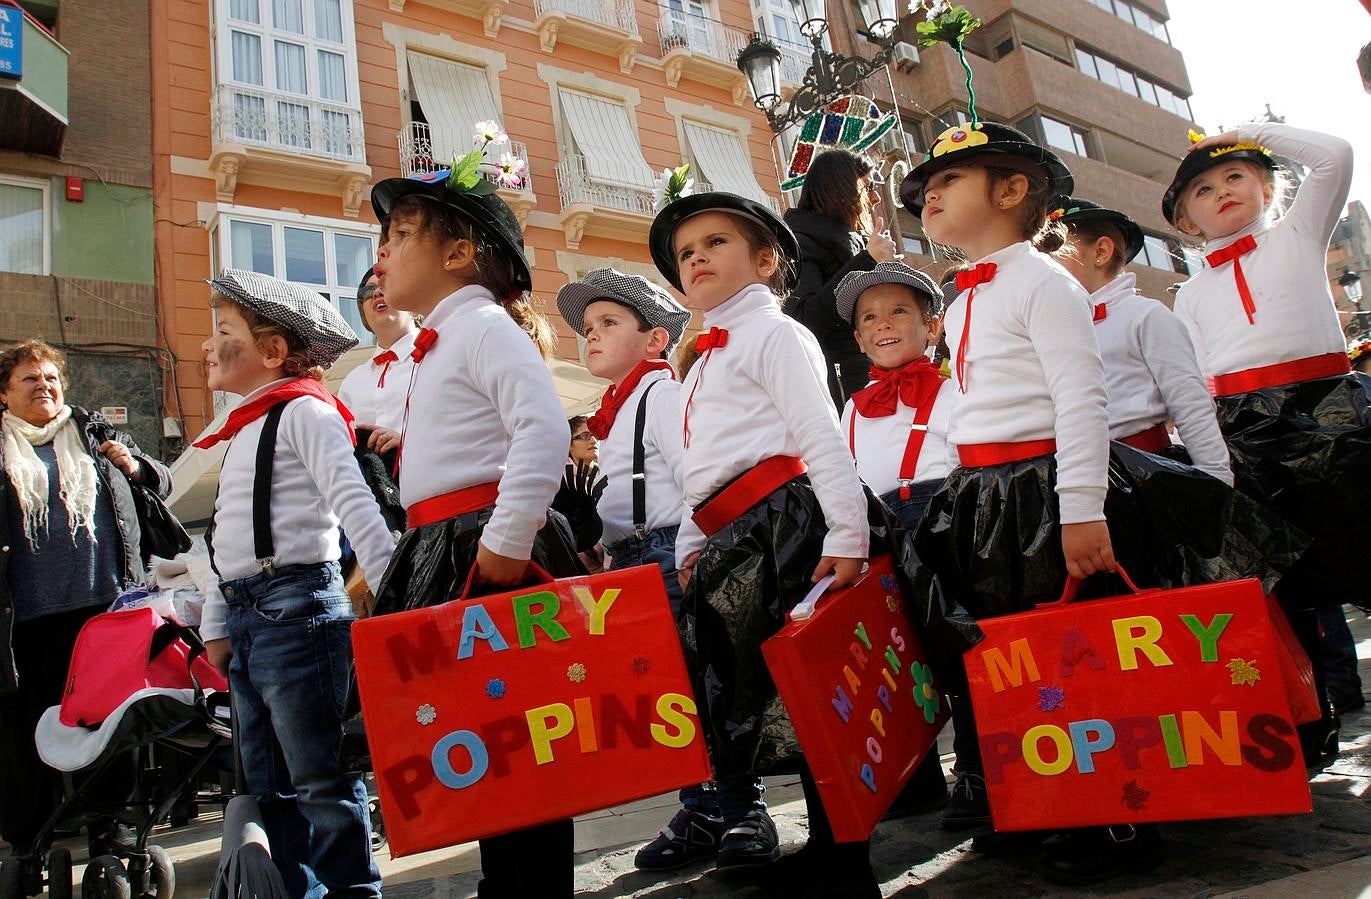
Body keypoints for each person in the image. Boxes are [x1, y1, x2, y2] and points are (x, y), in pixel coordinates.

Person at [900, 121, 1301, 883]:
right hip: (984, 494)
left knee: (1081, 657)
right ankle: (1041, 798)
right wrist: (953, 481)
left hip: (1043, 486)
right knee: (1016, 658)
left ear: (1011, 190)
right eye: (926, 189)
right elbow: (966, 401)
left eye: (948, 181)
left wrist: (1080, 507)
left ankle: (1119, 815)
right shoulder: (962, 298)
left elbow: (1080, 398)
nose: (930, 197)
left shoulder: (1043, 281)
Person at [648, 189, 878, 896]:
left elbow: (819, 433)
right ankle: (825, 850)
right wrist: (692, 541)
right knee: (774, 700)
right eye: (686, 252)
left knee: (810, 694)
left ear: (766, 259)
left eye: (715, 242)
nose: (697, 258)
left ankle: (846, 864)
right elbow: (701, 465)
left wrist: (847, 532)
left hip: (783, 525)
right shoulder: (702, 359)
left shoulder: (776, 334)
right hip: (732, 538)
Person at [366, 165, 584, 898]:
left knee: (522, 735)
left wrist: (507, 538)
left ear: (459, 254)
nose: (383, 252)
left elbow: (543, 427)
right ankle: (509, 880)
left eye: (401, 233)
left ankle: (533, 885)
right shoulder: (440, 340)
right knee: (489, 733)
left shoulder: (483, 326)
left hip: (484, 546)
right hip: (449, 541)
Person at [1166, 121, 1363, 767]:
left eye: (1235, 176)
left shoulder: (1297, 235)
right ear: (1185, 221)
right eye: (1202, 190)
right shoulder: (1190, 293)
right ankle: (1312, 719)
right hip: (1245, 434)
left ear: (1269, 188)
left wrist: (1247, 132)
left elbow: (1334, 155)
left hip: (1329, 415)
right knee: (1281, 584)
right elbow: (1195, 380)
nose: (1221, 191)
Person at [195, 269, 393, 897]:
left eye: (224, 331)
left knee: (321, 779)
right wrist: (218, 622)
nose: (208, 345)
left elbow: (355, 503)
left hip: (299, 610)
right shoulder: (244, 426)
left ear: (274, 350)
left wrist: (395, 597)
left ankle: (352, 891)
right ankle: (296, 888)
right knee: (266, 783)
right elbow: (227, 538)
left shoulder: (306, 411)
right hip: (251, 614)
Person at [555, 269, 733, 871]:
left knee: (690, 685)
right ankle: (704, 804)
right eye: (587, 327)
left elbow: (694, 478)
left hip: (665, 554)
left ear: (656, 339)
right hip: (631, 558)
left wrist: (690, 547)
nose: (591, 334)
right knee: (664, 690)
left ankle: (723, 807)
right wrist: (597, 542)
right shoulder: (617, 407)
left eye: (609, 322)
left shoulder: (660, 396)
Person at [0, 340, 170, 858]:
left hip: (103, 611)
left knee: (108, 723)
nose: (44, 386)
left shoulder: (94, 433)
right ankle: (28, 840)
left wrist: (135, 466)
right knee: (23, 731)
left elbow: (160, 480)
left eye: (51, 377)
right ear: (4, 393)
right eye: (30, 378)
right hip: (23, 620)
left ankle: (111, 828)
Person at [832, 262, 956, 817]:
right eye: (869, 318)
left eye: (899, 311)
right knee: (899, 656)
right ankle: (914, 777)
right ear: (859, 340)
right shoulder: (853, 409)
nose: (883, 323)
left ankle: (978, 771)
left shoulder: (954, 391)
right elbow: (844, 476)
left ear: (932, 327)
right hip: (880, 534)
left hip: (943, 526)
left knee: (957, 646)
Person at [1042, 196, 1232, 483]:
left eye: (1053, 249)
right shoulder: (1050, 328)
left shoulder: (1146, 316)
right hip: (1073, 476)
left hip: (1145, 474)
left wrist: (1216, 477)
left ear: (1101, 251)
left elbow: (1190, 404)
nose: (1040, 264)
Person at [783, 148, 900, 408]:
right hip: (842, 386)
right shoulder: (801, 242)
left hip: (876, 374)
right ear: (841, 190)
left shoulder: (857, 242)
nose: (875, 198)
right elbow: (803, 319)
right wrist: (868, 260)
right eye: (867, 188)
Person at [336, 265, 418, 462]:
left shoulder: (438, 355)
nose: (377, 293)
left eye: (386, 285)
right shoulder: (352, 381)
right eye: (368, 291)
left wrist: (411, 444)